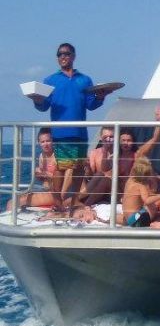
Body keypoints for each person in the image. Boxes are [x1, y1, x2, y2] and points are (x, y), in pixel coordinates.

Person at [29, 43, 110, 210]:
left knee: (79, 167)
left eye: (66, 53)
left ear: (73, 56)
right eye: (59, 54)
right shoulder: (50, 80)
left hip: (80, 132)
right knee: (60, 167)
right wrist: (37, 100)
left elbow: (91, 105)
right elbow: (44, 106)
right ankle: (57, 202)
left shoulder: (85, 79)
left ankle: (74, 200)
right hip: (60, 132)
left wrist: (101, 97)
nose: (62, 57)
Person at [79, 107, 160, 205]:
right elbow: (104, 169)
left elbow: (154, 139)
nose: (126, 143)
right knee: (104, 179)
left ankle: (84, 203)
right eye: (123, 140)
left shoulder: (138, 154)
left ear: (133, 142)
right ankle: (85, 204)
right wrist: (105, 150)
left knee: (105, 180)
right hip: (118, 192)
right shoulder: (116, 156)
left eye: (129, 140)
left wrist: (159, 123)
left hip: (131, 192)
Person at [121, 157, 160, 227]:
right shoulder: (140, 185)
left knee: (154, 206)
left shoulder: (130, 180)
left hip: (129, 220)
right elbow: (147, 201)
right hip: (137, 220)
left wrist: (159, 178)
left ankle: (155, 223)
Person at [20, 128, 60, 208]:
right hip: (45, 189)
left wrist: (46, 174)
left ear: (53, 141)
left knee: (15, 202)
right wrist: (39, 175)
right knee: (19, 196)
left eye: (48, 141)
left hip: (56, 192)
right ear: (39, 143)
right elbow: (44, 179)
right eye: (43, 142)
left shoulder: (58, 156)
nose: (45, 144)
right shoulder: (42, 156)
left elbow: (62, 178)